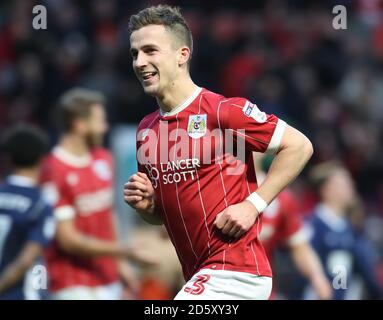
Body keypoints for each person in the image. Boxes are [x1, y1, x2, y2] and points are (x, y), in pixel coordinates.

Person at [124, 5, 313, 300]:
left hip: (236, 272)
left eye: (150, 51)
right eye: (135, 53)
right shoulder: (147, 130)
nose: (139, 61)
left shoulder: (223, 111)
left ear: (181, 55)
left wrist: (253, 205)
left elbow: (299, 145)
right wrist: (147, 206)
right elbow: (162, 215)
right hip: (200, 274)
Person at [41, 88, 154, 300]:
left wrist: (120, 265)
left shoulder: (103, 159)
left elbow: (108, 212)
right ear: (79, 125)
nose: (105, 128)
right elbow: (67, 239)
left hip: (107, 278)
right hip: (71, 284)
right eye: (100, 121)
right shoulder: (54, 169)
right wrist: (124, 251)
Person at [254, 154, 331, 300]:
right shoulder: (214, 187)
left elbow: (299, 245)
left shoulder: (280, 196)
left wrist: (318, 278)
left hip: (261, 293)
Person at [302, 161, 383, 300]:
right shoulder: (310, 226)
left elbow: (367, 271)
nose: (350, 188)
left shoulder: (352, 229)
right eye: (344, 184)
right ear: (326, 189)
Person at [0, 125, 54, 300]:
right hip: (22, 293)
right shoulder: (39, 204)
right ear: (42, 160)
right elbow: (25, 260)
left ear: (8, 159)